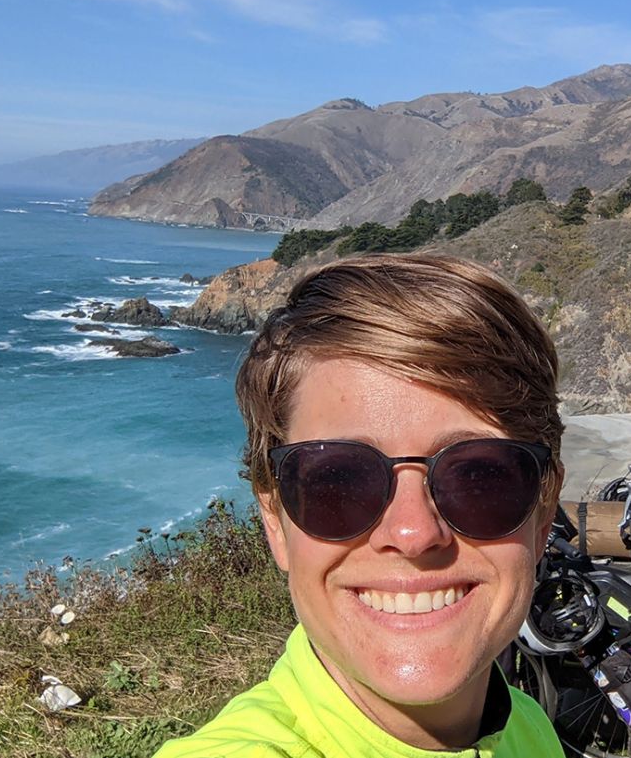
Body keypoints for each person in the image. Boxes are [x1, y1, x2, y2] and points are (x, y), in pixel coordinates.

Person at [154, 254, 566, 758]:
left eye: (478, 476)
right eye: (339, 479)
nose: (413, 533)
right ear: (275, 521)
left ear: (544, 511)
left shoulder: (529, 727)